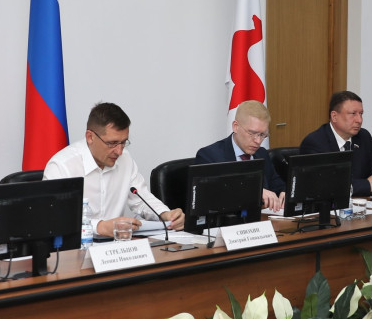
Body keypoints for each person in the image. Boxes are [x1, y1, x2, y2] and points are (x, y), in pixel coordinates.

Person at [43, 102, 184, 237]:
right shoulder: (62, 166)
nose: (119, 151)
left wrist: (165, 214)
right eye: (112, 143)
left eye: (123, 142)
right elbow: (54, 219)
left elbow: (141, 200)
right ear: (90, 137)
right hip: (75, 249)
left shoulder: (125, 159)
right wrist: (100, 227)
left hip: (118, 247)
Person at [196, 101, 285, 212]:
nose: (258, 141)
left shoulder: (262, 154)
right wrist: (255, 193)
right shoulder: (210, 156)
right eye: (252, 133)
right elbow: (213, 197)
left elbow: (278, 185)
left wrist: (283, 193)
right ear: (235, 127)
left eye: (262, 135)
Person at [299, 90, 372, 196]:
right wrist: (367, 185)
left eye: (361, 114)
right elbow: (326, 186)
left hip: (364, 202)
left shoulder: (364, 137)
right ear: (334, 116)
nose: (359, 120)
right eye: (353, 114)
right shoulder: (315, 143)